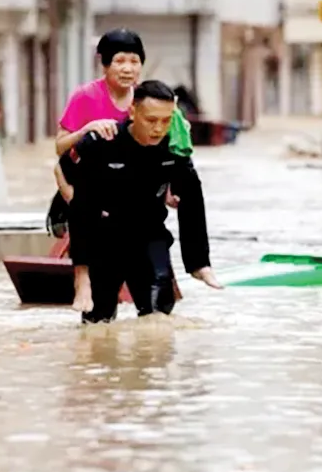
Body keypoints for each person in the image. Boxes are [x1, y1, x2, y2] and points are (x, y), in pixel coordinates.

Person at [60, 80, 222, 325]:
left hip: (150, 235)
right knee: (97, 322)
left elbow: (192, 197)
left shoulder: (173, 146)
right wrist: (82, 271)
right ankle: (83, 281)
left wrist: (198, 261)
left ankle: (199, 269)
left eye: (165, 121)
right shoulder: (103, 142)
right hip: (105, 236)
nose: (158, 128)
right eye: (151, 120)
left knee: (158, 319)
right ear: (133, 111)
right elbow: (78, 202)